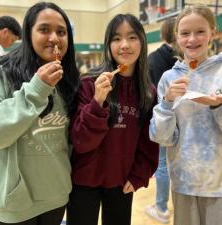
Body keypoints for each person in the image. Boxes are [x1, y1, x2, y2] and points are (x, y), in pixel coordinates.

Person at [67, 13, 159, 225]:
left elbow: (149, 141)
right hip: (83, 181)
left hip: (122, 181)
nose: (124, 45)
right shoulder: (90, 83)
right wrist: (98, 101)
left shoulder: (148, 92)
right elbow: (81, 141)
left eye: (132, 37)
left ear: (142, 42)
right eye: (116, 38)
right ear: (108, 45)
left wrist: (139, 174)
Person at [0, 2, 79, 225]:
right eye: (44, 29)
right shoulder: (2, 72)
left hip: (56, 194)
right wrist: (36, 89)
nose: (54, 38)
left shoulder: (70, 80)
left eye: (61, 32)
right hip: (15, 202)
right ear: (28, 33)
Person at [149, 3, 222, 225]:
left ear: (213, 32)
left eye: (200, 31)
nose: (192, 39)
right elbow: (162, 138)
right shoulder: (169, 79)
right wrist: (168, 102)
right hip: (182, 181)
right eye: (185, 33)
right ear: (176, 38)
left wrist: (216, 106)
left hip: (218, 183)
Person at [145, 17, 177, 224]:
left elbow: (150, 91)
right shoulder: (182, 59)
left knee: (163, 164)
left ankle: (161, 207)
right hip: (177, 116)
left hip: (164, 116)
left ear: (162, 34)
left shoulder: (154, 58)